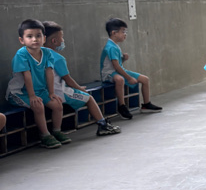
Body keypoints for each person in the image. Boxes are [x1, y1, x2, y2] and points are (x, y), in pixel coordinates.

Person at [43, 22, 120, 137]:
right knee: (89, 98)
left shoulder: (37, 55)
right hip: (58, 92)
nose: (63, 40)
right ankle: (102, 125)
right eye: (62, 37)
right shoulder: (58, 58)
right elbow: (68, 79)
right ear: (54, 41)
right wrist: (80, 89)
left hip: (42, 91)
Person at [5, 18, 67, 148]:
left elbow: (49, 72)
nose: (35, 39)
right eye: (29, 36)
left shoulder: (47, 53)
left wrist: (51, 93)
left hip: (40, 91)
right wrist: (32, 96)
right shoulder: (21, 55)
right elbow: (27, 76)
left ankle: (57, 131)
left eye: (38, 36)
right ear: (22, 40)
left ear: (44, 38)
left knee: (57, 104)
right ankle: (45, 136)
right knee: (38, 106)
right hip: (20, 93)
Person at [100, 18, 162, 119]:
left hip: (117, 71)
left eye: (126, 32)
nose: (125, 34)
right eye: (123, 31)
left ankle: (146, 104)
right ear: (114, 33)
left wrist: (123, 59)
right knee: (120, 79)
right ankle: (122, 106)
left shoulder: (115, 45)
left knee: (145, 79)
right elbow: (116, 67)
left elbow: (118, 64)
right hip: (108, 74)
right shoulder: (110, 47)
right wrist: (129, 78)